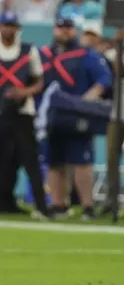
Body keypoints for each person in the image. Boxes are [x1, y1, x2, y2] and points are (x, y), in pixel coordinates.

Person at [0, 11, 49, 217]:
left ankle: (42, 206)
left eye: (12, 25)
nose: (8, 29)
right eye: (5, 25)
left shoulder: (28, 51)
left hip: (23, 110)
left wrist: (24, 92)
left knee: (30, 159)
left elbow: (39, 82)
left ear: (17, 28)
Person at [39, 17, 112, 220]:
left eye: (68, 28)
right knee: (54, 162)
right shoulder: (45, 54)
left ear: (74, 31)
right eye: (61, 28)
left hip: (77, 115)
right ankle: (58, 205)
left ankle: (88, 206)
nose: (64, 32)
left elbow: (104, 79)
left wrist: (86, 101)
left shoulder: (85, 54)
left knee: (82, 162)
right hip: (52, 116)